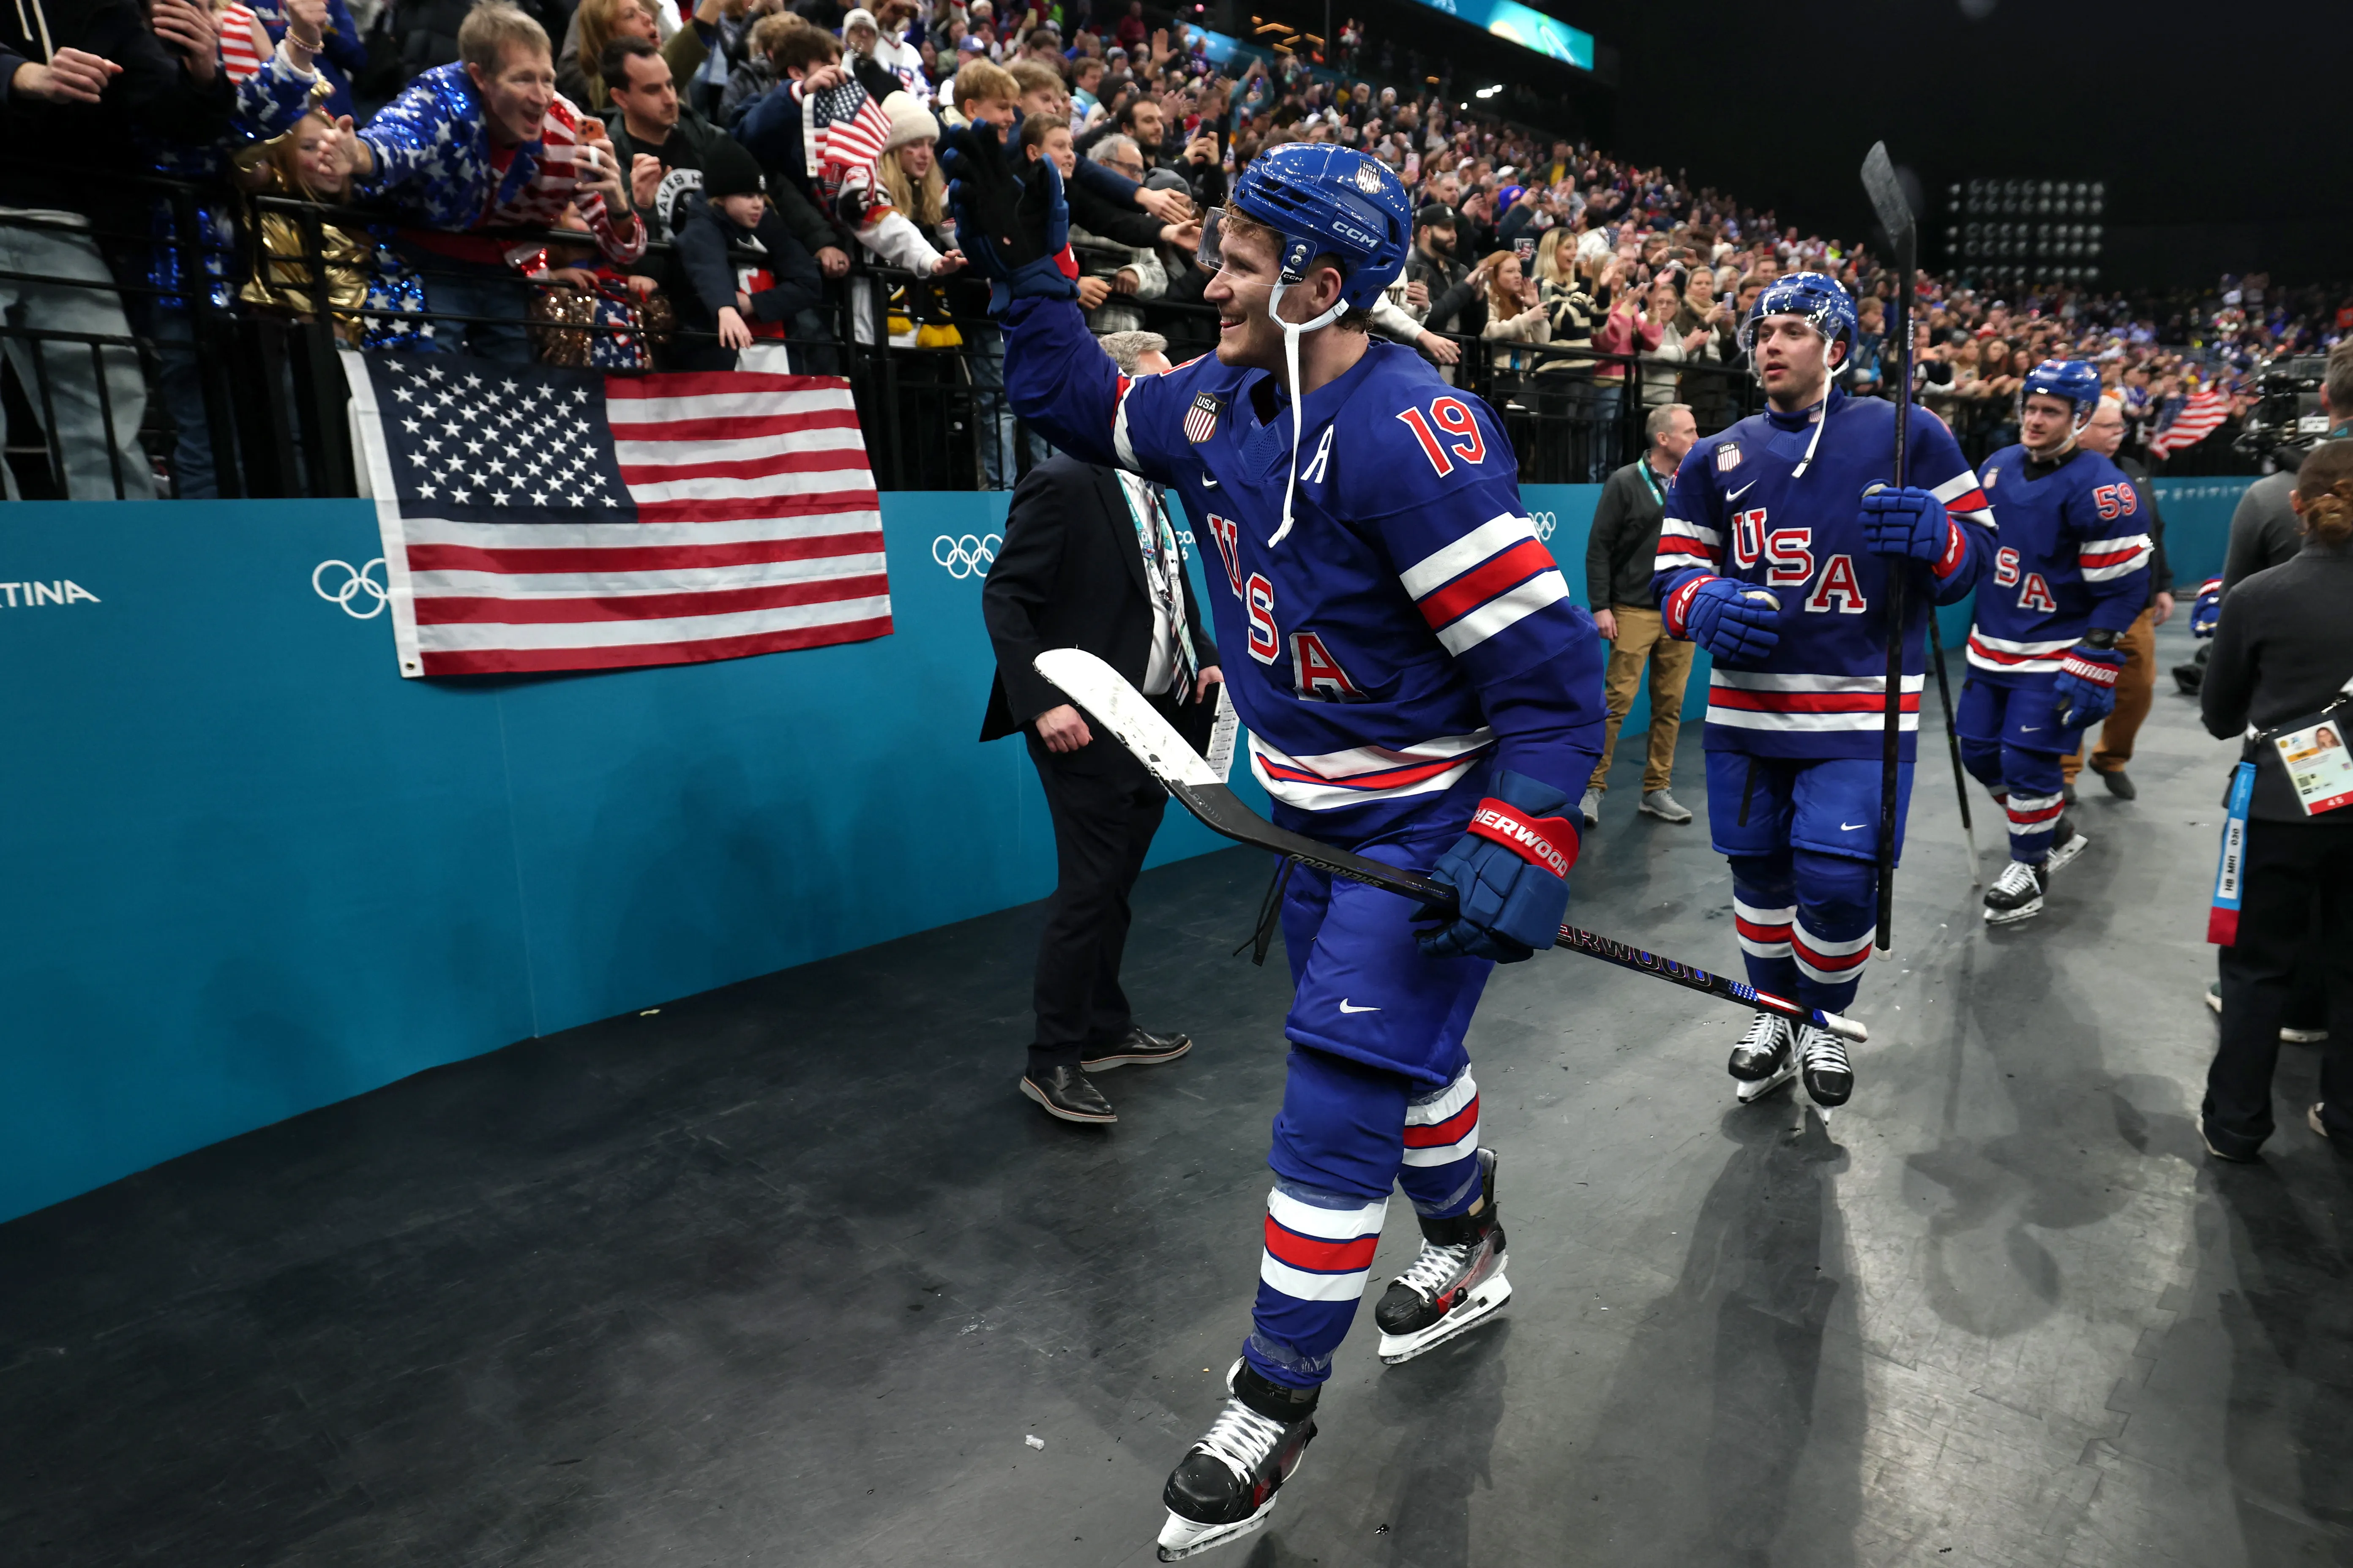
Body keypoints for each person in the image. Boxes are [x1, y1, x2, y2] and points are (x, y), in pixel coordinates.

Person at [951, 132, 1603, 1555]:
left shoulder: (1406, 439)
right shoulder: (1221, 398)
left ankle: (1273, 1402)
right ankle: (1471, 1245)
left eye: (1239, 263)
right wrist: (1028, 276)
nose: (1208, 275)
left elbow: (1552, 681)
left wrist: (1522, 829)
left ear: (1317, 284)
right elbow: (1072, 396)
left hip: (1418, 814)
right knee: (1404, 1055)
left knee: (1331, 1093)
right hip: (1307, 813)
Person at [1651, 273, 1994, 1108]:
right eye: (1762, 329)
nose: (1771, 341)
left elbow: (1976, 564)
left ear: (1836, 348)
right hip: (1744, 714)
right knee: (1760, 879)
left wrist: (1941, 539)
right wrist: (1701, 604)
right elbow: (1672, 574)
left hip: (1858, 717)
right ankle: (1777, 1012)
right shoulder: (1714, 454)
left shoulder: (1910, 435)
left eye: (1794, 328)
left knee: (1840, 887)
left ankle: (1822, 1018)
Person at [978, 330, 1222, 1126]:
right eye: (1150, 389)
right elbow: (1006, 599)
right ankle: (1050, 1060)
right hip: (1080, 722)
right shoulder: (1061, 479)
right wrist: (1042, 701)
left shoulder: (1150, 483)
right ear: (1112, 393)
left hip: (1157, 719)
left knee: (1114, 885)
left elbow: (1165, 590)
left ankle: (1104, 1029)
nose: (1163, 405)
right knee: (1088, 891)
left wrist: (1207, 656)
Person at [2196, 439, 2353, 1160]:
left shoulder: (2255, 597)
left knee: (2254, 968)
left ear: (2296, 505)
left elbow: (2221, 715)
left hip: (2279, 807)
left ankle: (2235, 1123)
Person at [340, 3, 645, 361]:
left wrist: (618, 204)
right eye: (522, 79)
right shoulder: (440, 100)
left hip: (507, 272)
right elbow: (393, 142)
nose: (541, 97)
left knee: (516, 387)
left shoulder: (569, 130)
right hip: (422, 263)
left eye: (547, 79)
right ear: (480, 77)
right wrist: (357, 153)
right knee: (429, 380)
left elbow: (625, 251)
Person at [1957, 360, 2151, 924]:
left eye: (2051, 411)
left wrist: (2095, 650)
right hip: (1990, 644)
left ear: (2081, 416)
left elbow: (2124, 587)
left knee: (2028, 759)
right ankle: (2052, 829)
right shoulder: (1994, 467)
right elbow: (1970, 544)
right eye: (2030, 408)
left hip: (2054, 652)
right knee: (1977, 751)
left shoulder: (2103, 487)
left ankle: (2029, 867)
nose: (2034, 420)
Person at [1583, 402, 1700, 826]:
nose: (1698, 439)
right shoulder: (1625, 482)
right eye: (1689, 432)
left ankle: (1656, 791)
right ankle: (1591, 788)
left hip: (1679, 611)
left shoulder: (1696, 482)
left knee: (1670, 704)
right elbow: (1599, 549)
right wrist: (1600, 606)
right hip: (1632, 609)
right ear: (1663, 440)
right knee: (1616, 704)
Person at [2059, 394, 2174, 800]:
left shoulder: (2133, 471)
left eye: (2120, 427)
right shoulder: (2061, 474)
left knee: (2140, 686)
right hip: (2078, 607)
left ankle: (2111, 758)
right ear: (2083, 427)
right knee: (2068, 688)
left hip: (2134, 606)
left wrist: (2163, 585)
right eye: (2109, 427)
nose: (2118, 435)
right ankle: (2064, 769)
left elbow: (2153, 533)